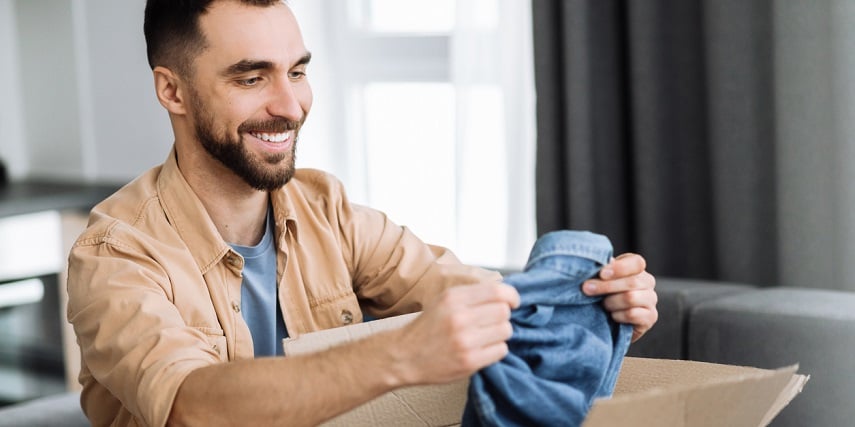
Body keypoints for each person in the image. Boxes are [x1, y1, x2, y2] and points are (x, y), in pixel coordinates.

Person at [66, 1, 658, 426]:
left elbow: (472, 297)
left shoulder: (329, 210)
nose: (290, 105)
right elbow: (193, 406)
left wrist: (588, 304)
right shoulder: (116, 254)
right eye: (251, 78)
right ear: (173, 92)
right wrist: (400, 355)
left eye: (297, 71)